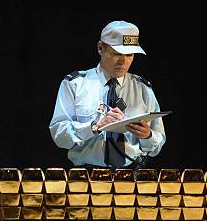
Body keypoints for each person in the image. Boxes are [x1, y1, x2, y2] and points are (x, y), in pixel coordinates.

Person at [49, 20, 166, 168]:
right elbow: (59, 136)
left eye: (129, 54)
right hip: (87, 178)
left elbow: (158, 144)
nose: (123, 61)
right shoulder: (75, 85)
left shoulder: (142, 89)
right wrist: (94, 127)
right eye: (116, 53)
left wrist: (147, 136)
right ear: (100, 48)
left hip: (131, 177)